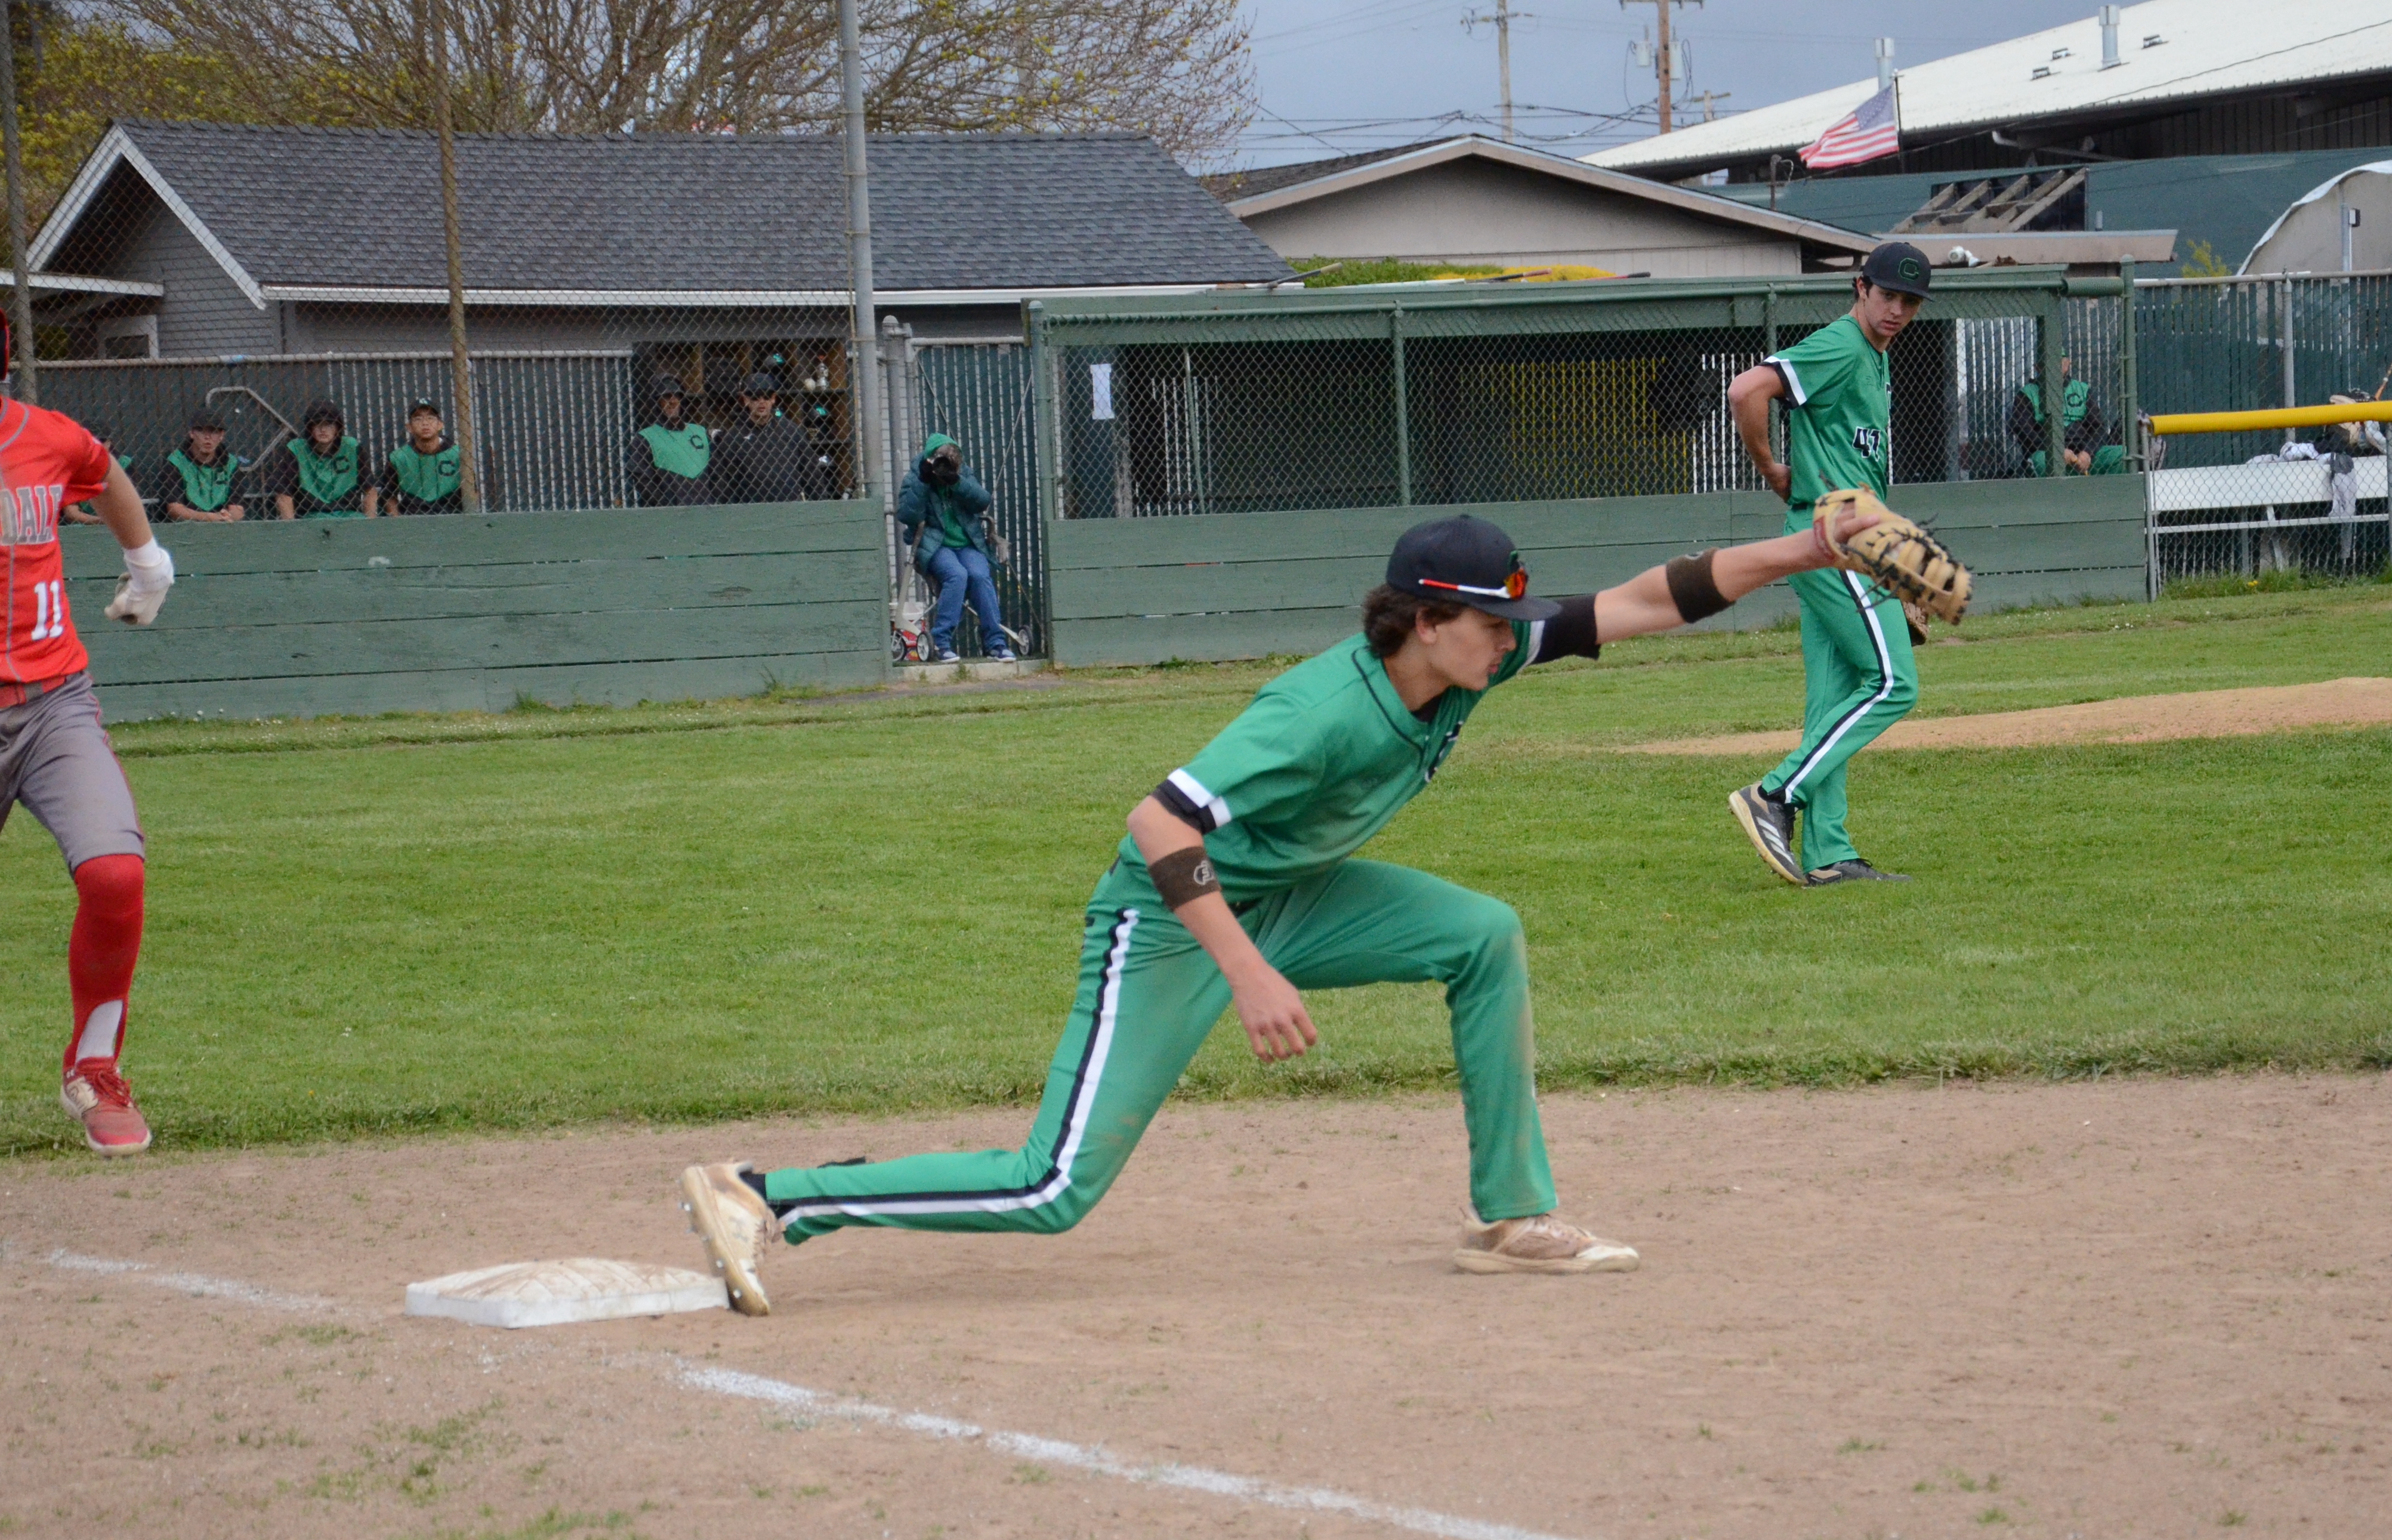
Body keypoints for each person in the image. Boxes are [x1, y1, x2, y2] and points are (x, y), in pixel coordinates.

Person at [674, 502, 1887, 1315]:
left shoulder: (1473, 657)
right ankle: (769, 1194)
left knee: (1481, 935)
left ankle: (1512, 1216)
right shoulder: (1317, 714)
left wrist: (1801, 553)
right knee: (1052, 1188)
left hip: (1291, 893)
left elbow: (1644, 601)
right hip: (1171, 921)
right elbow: (1157, 827)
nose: (1511, 639)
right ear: (1421, 618)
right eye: (1488, 621)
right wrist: (1248, 973)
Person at [0, 313, 178, 1155]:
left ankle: (94, 1066)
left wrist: (149, 564)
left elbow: (100, 473)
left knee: (114, 874)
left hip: (53, 703)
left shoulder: (45, 436)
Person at [1723, 240, 1930, 888]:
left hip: (1856, 540)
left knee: (1834, 703)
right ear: (1860, 287)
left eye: (1909, 300)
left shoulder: (1873, 357)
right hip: (1829, 536)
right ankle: (1776, 795)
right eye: (1887, 295)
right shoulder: (1842, 346)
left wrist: (1901, 570)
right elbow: (1746, 389)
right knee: (1895, 683)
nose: (1896, 309)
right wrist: (1769, 469)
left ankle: (1828, 853)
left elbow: (1855, 472)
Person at [896, 433, 1014, 663]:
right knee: (957, 575)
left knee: (980, 576)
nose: (944, 467)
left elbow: (982, 501)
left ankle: (995, 643)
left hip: (967, 544)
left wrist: (956, 481)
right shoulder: (915, 477)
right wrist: (923, 480)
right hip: (934, 544)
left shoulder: (963, 474)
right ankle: (941, 642)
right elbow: (908, 515)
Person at [706, 374, 832, 505]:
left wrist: (821, 505)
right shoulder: (732, 438)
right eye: (755, 396)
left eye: (766, 396)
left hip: (790, 511)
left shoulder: (790, 430)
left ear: (773, 399)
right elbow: (723, 486)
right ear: (746, 400)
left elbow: (812, 474)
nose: (762, 401)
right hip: (751, 514)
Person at [2007, 356, 2125, 476]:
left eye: (2061, 361)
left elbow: (2098, 427)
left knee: (2122, 453)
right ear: (2038, 367)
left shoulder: (2081, 389)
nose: (2056, 366)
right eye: (2049, 362)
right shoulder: (2027, 393)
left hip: (2083, 454)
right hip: (2046, 453)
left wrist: (2088, 453)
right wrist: (2056, 451)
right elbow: (2025, 433)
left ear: (2068, 363)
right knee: (2040, 461)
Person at [268, 399, 375, 519]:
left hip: (348, 514)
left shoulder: (351, 447)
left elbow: (370, 490)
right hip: (310, 516)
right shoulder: (296, 449)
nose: (323, 429)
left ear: (337, 428)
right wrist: (292, 531)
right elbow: (283, 494)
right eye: (318, 424)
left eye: (329, 424)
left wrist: (370, 524)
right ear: (310, 428)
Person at [379, 397, 487, 515]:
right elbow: (388, 496)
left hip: (452, 516)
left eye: (431, 418)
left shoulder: (457, 454)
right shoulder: (399, 457)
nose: (425, 423)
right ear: (409, 427)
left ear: (440, 425)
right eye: (418, 418)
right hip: (413, 518)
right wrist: (398, 522)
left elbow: (473, 492)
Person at [150, 408, 248, 523]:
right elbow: (175, 510)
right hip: (187, 528)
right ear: (192, 433)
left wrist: (228, 517)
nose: (208, 437)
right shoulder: (176, 461)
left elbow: (238, 509)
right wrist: (211, 518)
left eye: (214, 431)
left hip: (224, 527)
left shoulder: (231, 463)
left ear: (222, 435)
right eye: (202, 431)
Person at [628, 373, 712, 507]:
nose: (673, 401)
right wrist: (667, 507)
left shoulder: (700, 432)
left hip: (707, 510)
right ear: (657, 401)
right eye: (666, 397)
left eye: (677, 396)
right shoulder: (646, 438)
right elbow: (643, 482)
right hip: (670, 515)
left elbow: (718, 474)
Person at [61, 421, 127, 525]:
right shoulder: (71, 468)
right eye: (92, 441)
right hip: (82, 526)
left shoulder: (124, 463)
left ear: (110, 442)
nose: (97, 445)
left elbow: (126, 509)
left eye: (102, 441)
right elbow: (72, 514)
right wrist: (101, 521)